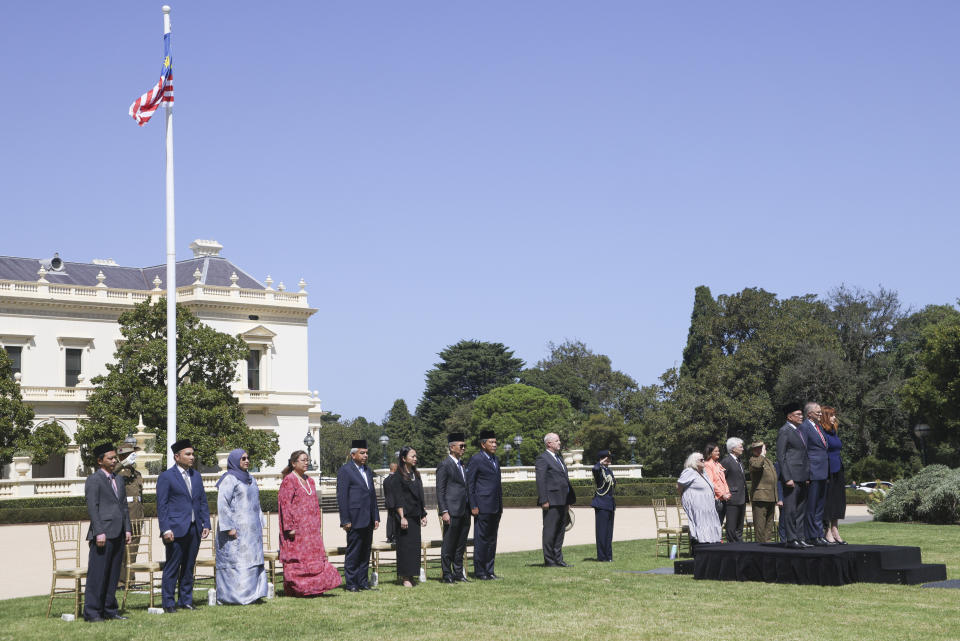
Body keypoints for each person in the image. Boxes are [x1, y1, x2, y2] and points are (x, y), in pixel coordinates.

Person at [156, 439, 211, 613]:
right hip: (175, 529)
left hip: (194, 529)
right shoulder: (166, 477)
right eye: (188, 454)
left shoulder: (196, 475)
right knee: (172, 567)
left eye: (192, 454)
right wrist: (165, 529)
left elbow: (202, 501)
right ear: (176, 456)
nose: (192, 457)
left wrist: (206, 523)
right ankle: (169, 603)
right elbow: (162, 506)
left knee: (188, 567)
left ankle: (185, 600)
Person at [278, 450, 341, 596]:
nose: (306, 462)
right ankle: (299, 589)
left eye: (307, 460)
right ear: (293, 463)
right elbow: (285, 505)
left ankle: (316, 588)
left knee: (314, 558)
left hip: (311, 531)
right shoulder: (289, 480)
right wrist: (289, 527)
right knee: (299, 559)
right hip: (296, 530)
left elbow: (314, 505)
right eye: (303, 460)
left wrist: (316, 525)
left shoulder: (311, 481)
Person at [83, 443, 132, 622]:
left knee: (113, 574)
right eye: (110, 458)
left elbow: (124, 507)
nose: (114, 461)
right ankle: (92, 612)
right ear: (100, 461)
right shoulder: (94, 480)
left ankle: (110, 610)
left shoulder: (118, 479)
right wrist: (99, 531)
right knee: (98, 575)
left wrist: (127, 528)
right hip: (103, 534)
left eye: (115, 458)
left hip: (118, 533)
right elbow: (93, 508)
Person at [215, 449, 269, 604]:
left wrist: (260, 522)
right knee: (237, 561)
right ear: (234, 461)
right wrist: (228, 527)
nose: (247, 461)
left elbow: (256, 503)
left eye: (247, 458)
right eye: (243, 458)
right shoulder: (229, 479)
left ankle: (255, 594)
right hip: (236, 531)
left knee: (253, 560)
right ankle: (235, 597)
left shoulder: (250, 478)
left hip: (252, 532)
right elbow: (223, 504)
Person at [336, 440, 380, 592]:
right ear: (353, 454)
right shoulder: (345, 470)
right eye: (362, 453)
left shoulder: (367, 470)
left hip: (368, 518)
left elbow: (372, 495)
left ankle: (363, 582)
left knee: (365, 552)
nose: (365, 455)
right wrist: (345, 520)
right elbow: (342, 497)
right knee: (354, 552)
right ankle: (351, 583)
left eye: (367, 453)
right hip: (354, 519)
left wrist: (376, 516)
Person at [386, 447, 427, 587]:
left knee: (414, 547)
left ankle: (412, 575)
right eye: (412, 456)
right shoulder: (398, 476)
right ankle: (405, 577)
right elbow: (398, 498)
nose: (415, 458)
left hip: (415, 516)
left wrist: (423, 514)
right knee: (405, 547)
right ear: (403, 458)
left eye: (416, 456)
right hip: (404, 516)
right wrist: (402, 516)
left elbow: (420, 496)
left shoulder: (416, 474)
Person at [465, 429, 503, 580]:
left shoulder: (495, 459)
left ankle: (490, 570)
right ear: (483, 444)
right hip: (482, 506)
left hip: (495, 506)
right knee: (482, 539)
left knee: (492, 539)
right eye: (491, 442)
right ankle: (480, 571)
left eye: (495, 442)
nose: (495, 445)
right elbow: (470, 484)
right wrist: (473, 505)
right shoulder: (476, 459)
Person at [536, 433, 576, 567]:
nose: (560, 442)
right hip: (551, 502)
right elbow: (540, 481)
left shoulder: (559, 458)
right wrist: (544, 500)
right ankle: (549, 560)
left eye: (559, 440)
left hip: (563, 501)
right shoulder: (543, 458)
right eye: (557, 440)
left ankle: (559, 559)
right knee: (550, 531)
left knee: (560, 531)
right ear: (549, 443)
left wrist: (568, 500)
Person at [436, 432, 470, 583]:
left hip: (464, 510)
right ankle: (446, 574)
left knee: (460, 544)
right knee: (449, 544)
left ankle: (458, 573)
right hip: (451, 511)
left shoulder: (462, 464)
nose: (463, 448)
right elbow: (440, 490)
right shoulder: (445, 465)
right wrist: (444, 511)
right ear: (452, 447)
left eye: (464, 445)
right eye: (461, 446)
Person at [777, 403, 812, 549]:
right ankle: (791, 539)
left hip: (802, 476)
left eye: (801, 414)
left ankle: (800, 537)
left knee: (800, 510)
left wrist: (807, 475)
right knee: (790, 510)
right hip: (791, 477)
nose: (801, 417)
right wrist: (787, 477)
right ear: (789, 416)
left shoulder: (799, 431)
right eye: (798, 414)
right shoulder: (785, 431)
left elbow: (804, 455)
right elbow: (781, 455)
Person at [677, 452, 722, 553]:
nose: (704, 462)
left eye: (704, 459)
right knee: (700, 524)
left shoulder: (703, 472)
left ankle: (711, 545)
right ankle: (700, 546)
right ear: (694, 462)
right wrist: (685, 498)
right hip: (698, 507)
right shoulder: (689, 471)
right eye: (701, 460)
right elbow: (679, 486)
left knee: (710, 524)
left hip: (708, 506)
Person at [801, 402, 830, 546]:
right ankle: (811, 536)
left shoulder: (818, 427)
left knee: (819, 506)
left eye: (820, 411)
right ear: (809, 414)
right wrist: (806, 474)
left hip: (823, 471)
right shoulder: (805, 427)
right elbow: (804, 451)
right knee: (811, 506)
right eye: (817, 411)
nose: (820, 413)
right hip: (812, 471)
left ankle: (819, 534)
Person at [114, 442, 143, 587]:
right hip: (125, 517)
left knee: (133, 551)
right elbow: (111, 473)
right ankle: (120, 582)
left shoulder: (136, 474)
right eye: (128, 455)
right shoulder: (117, 472)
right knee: (122, 551)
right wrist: (123, 463)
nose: (132, 457)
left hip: (137, 517)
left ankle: (130, 580)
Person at [821, 407, 847, 544]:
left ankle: (835, 529)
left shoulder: (834, 432)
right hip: (828, 471)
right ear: (825, 417)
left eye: (834, 415)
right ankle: (827, 531)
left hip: (838, 469)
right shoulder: (822, 432)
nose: (834, 418)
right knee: (828, 501)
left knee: (838, 501)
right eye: (831, 415)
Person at [747, 440, 778, 543]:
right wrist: (762, 455)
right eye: (759, 448)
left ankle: (768, 548)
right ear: (755, 450)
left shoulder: (768, 461)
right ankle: (760, 550)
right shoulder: (753, 460)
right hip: (760, 497)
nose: (762, 450)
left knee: (769, 527)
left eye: (763, 448)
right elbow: (757, 467)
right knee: (760, 528)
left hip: (771, 497)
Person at [719, 437, 747, 543]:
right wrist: (725, 493)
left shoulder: (739, 461)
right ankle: (732, 546)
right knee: (731, 525)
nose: (743, 449)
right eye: (740, 447)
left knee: (739, 525)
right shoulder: (726, 461)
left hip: (741, 497)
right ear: (733, 448)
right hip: (732, 499)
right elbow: (720, 479)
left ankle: (739, 545)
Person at [590, 450, 616, 562]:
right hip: (601, 504)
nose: (609, 460)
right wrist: (600, 462)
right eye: (607, 458)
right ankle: (602, 556)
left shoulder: (608, 470)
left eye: (610, 458)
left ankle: (608, 556)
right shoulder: (599, 469)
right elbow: (594, 469)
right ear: (602, 459)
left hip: (609, 504)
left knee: (608, 532)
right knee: (601, 532)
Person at [702, 443, 731, 527]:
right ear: (710, 453)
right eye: (716, 451)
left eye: (718, 451)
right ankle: (715, 540)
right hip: (715, 500)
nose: (718, 453)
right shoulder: (707, 465)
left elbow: (723, 481)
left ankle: (718, 539)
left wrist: (727, 492)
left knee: (719, 524)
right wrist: (722, 494)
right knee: (715, 524)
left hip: (723, 499)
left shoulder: (718, 464)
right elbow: (711, 483)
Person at [382, 461, 399, 544]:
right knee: (395, 520)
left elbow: (385, 493)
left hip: (388, 502)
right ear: (394, 468)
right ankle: (395, 537)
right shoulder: (396, 479)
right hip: (395, 502)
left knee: (389, 519)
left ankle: (389, 537)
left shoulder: (385, 480)